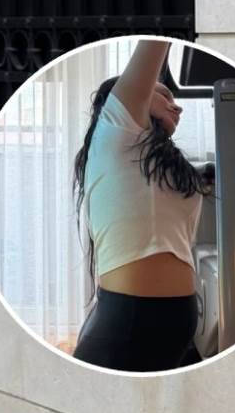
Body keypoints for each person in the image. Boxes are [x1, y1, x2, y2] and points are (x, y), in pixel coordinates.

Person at [70, 39, 210, 371]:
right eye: (164, 95)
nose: (177, 107)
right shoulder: (114, 130)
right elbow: (152, 45)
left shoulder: (164, 166)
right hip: (129, 320)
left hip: (174, 322)